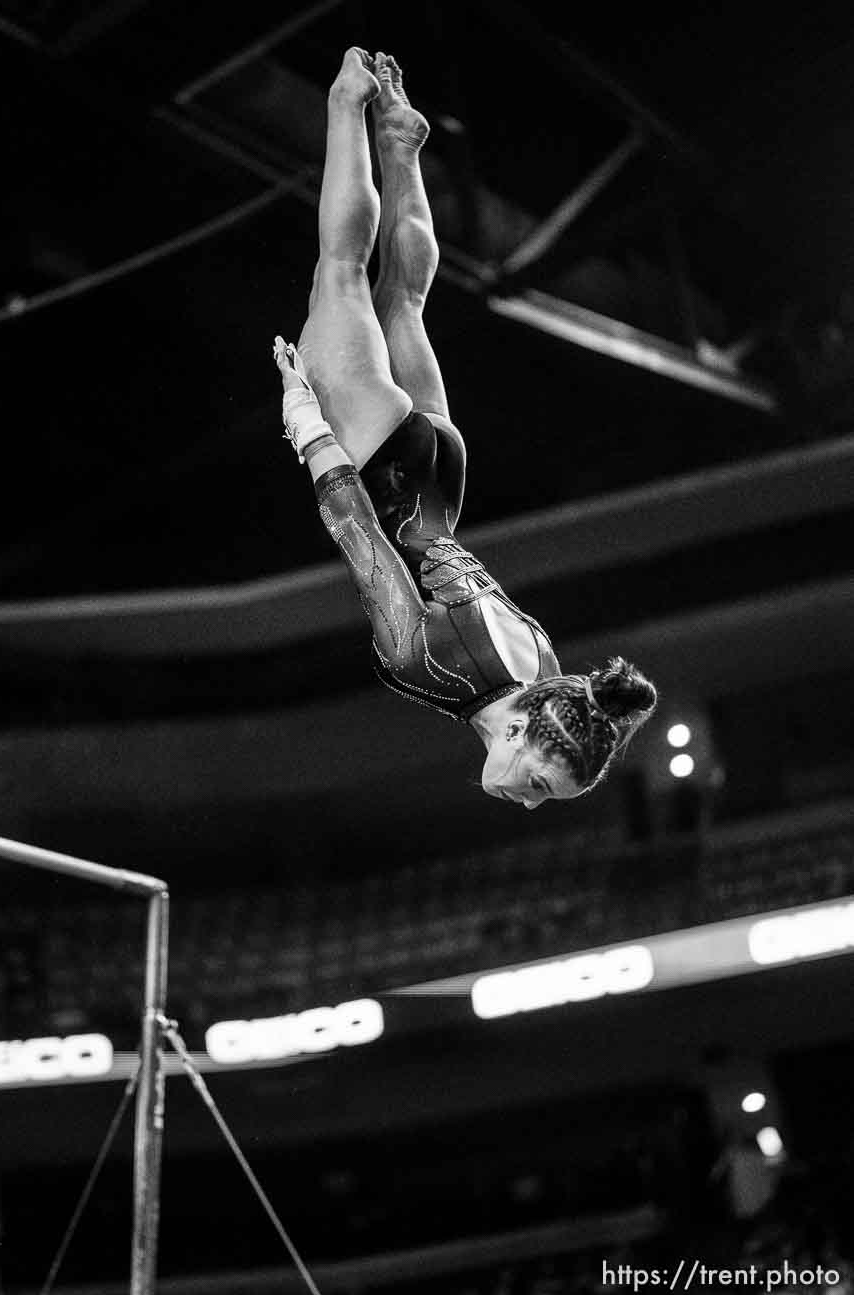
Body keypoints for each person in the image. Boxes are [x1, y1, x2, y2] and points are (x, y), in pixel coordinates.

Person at [274, 49, 656, 809]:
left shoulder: (547, 672)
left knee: (405, 298)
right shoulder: (431, 671)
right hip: (378, 469)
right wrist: (306, 422)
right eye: (543, 784)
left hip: (442, 479)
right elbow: (357, 533)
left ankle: (398, 145)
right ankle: (346, 100)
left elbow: (578, 697)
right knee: (341, 269)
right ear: (520, 737)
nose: (531, 802)